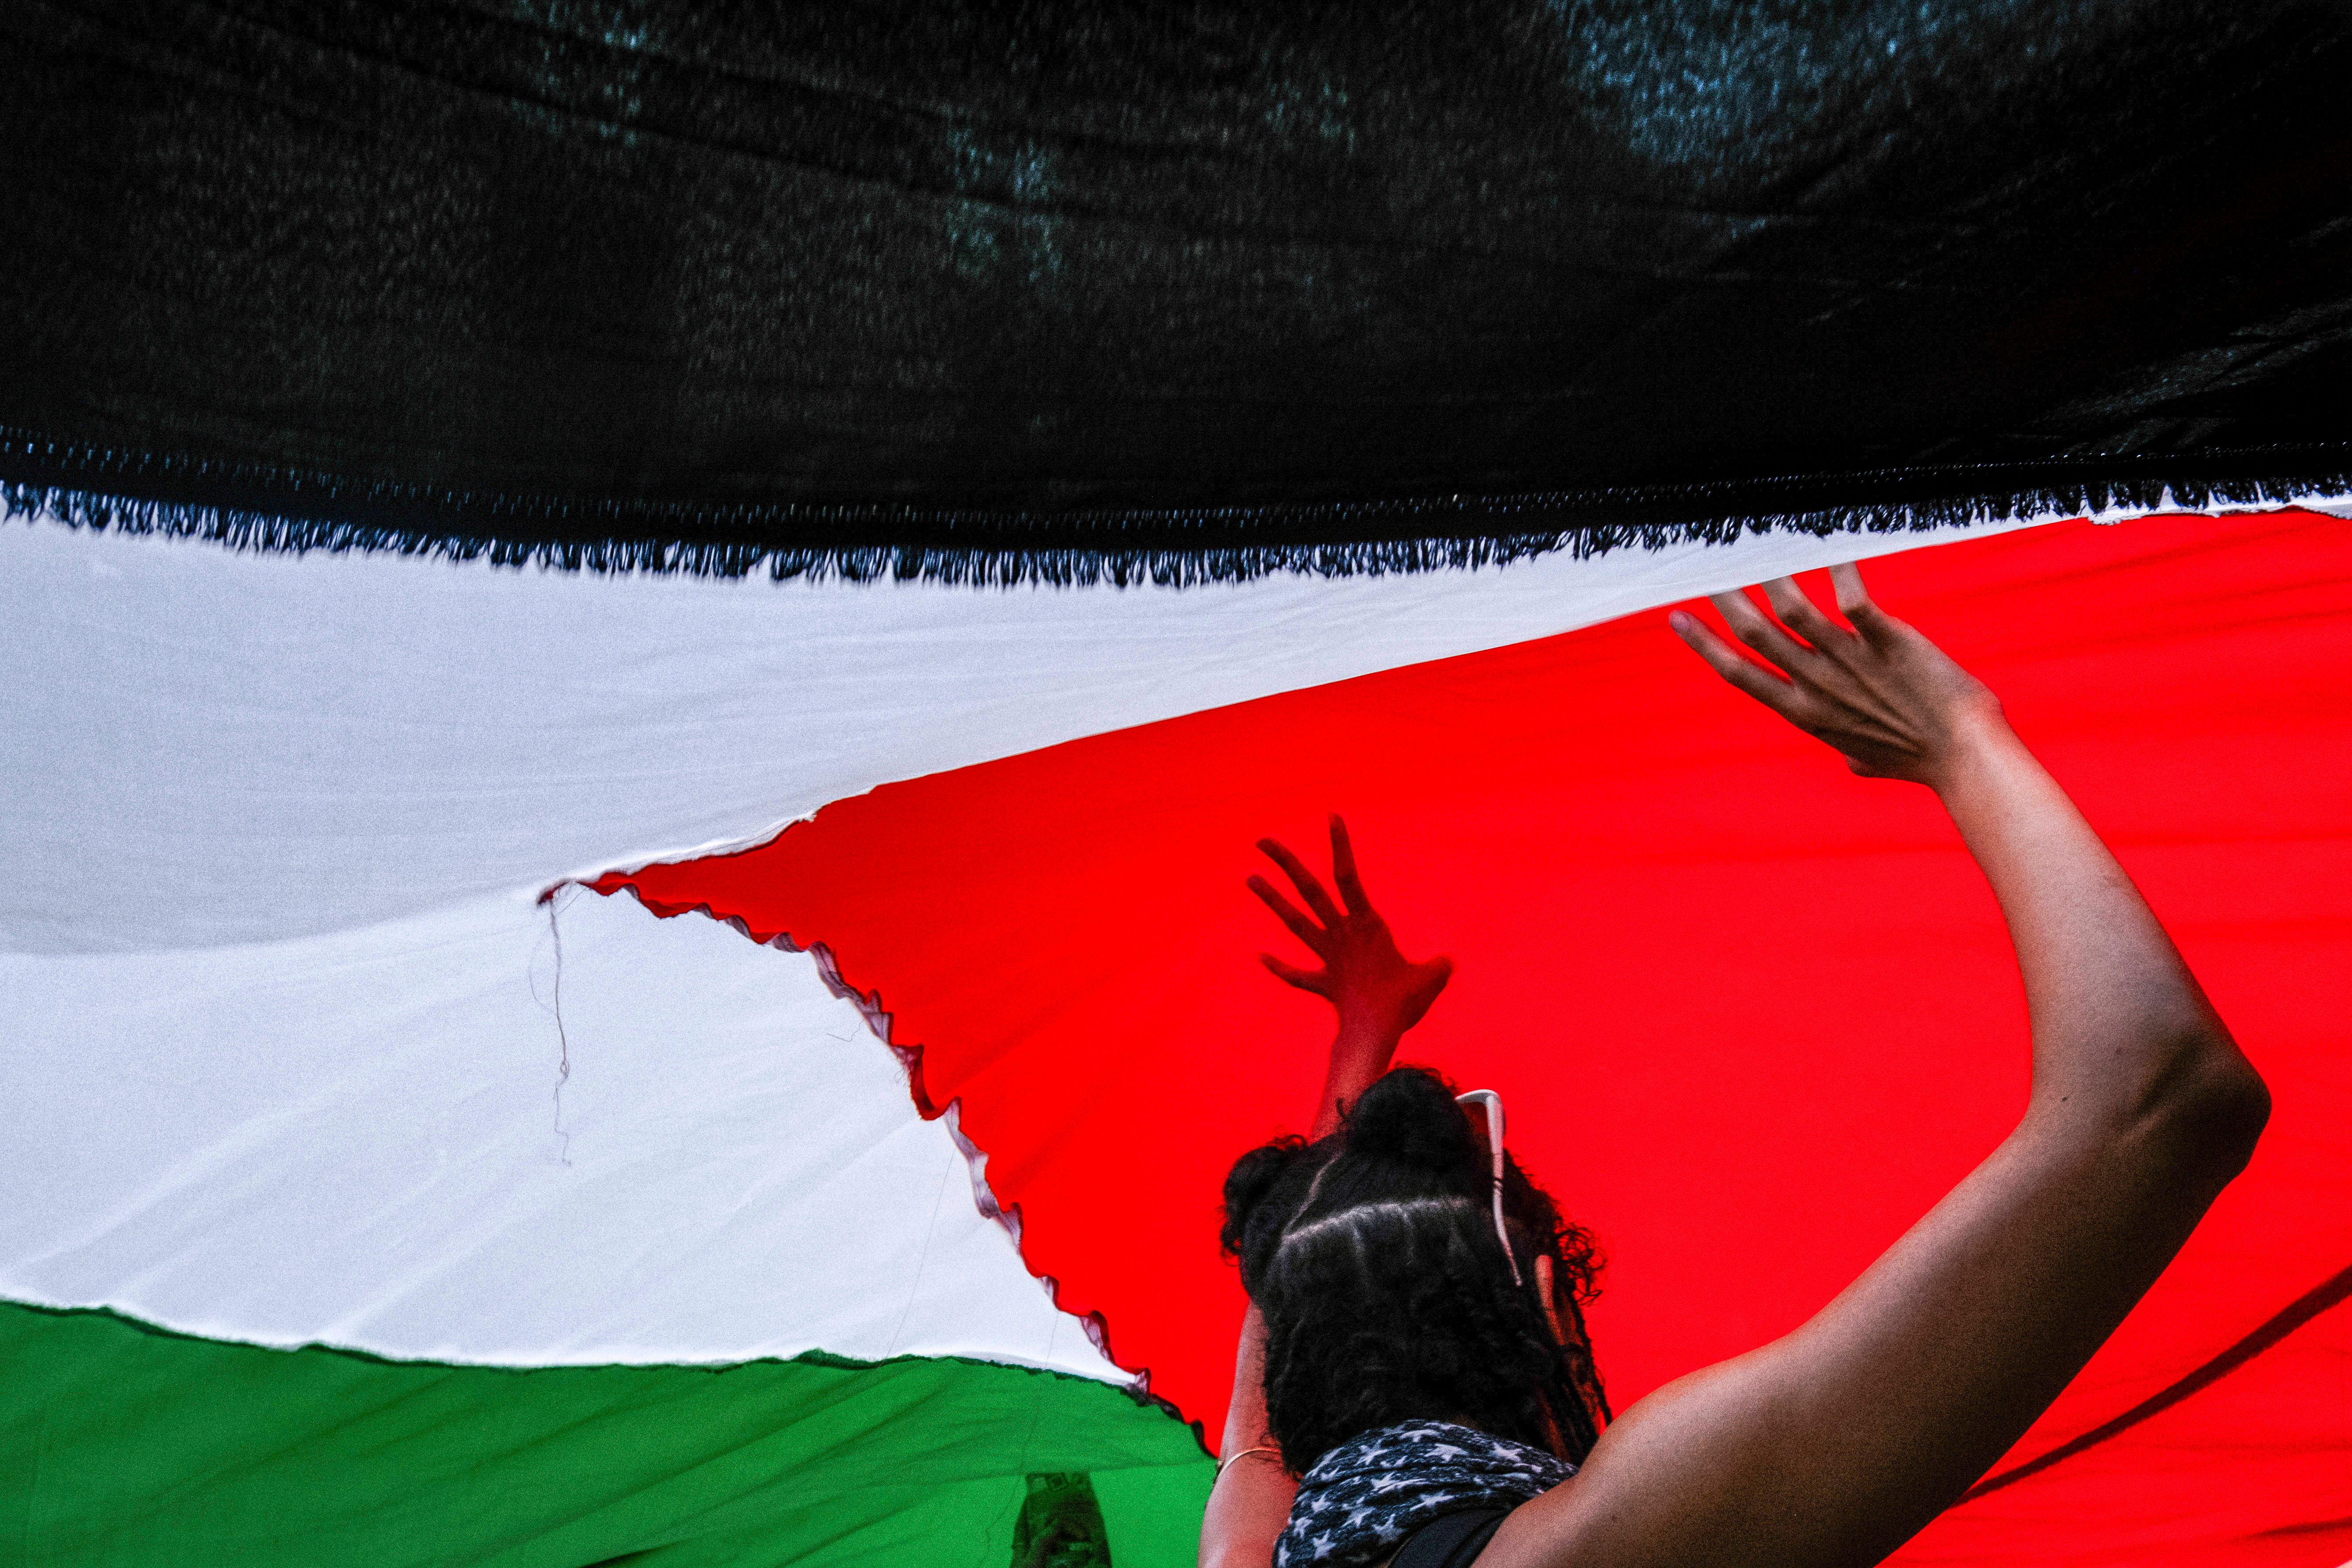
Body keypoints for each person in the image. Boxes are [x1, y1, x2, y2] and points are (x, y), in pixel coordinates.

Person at [1199, 564, 2270, 1568]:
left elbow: (1284, 1324)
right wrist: (1959, 739)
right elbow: (2163, 1099)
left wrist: (1365, 1034)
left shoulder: (1258, 1546)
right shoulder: (1620, 1535)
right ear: (1542, 1305)